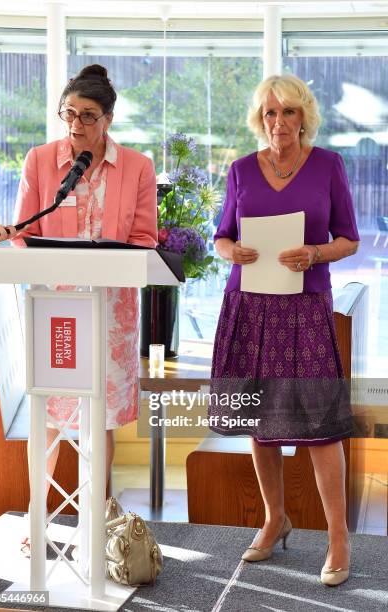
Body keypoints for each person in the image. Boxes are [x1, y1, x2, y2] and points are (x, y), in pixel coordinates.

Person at [209, 74, 359, 587]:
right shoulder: (240, 170)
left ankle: (338, 537)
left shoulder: (328, 166)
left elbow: (350, 239)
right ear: (260, 119)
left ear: (304, 116)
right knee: (259, 420)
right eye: (270, 113)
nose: (279, 123)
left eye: (288, 112)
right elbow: (221, 236)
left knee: (321, 428)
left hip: (306, 307)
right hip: (250, 307)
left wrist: (315, 252)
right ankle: (275, 518)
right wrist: (233, 251)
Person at [12, 64, 157, 553]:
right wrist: (4, 235)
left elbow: (144, 240)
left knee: (100, 418)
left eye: (87, 116)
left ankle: (93, 518)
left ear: (108, 119)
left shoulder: (137, 167)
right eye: (68, 114)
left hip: (110, 312)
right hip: (55, 309)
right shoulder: (39, 160)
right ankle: (38, 518)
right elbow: (24, 232)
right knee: (49, 416)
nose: (75, 126)